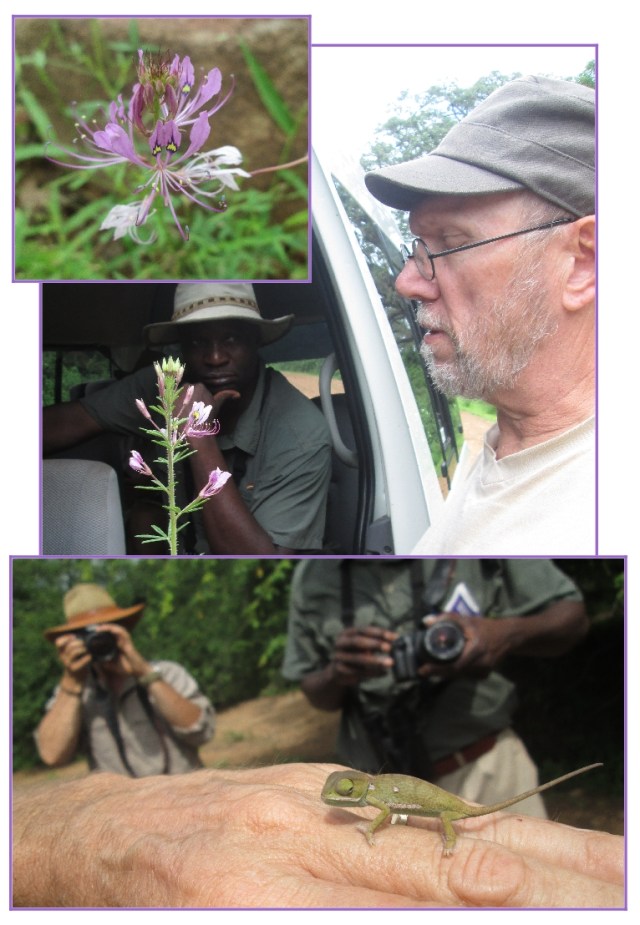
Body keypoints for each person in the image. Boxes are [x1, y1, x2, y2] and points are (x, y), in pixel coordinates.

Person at [364, 76, 595, 554]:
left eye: (451, 243)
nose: (408, 282)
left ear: (582, 263)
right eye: (419, 247)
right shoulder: (514, 446)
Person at [12, 762, 624, 908]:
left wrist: (433, 840)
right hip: (418, 788)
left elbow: (387, 812)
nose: (342, 802)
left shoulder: (378, 798)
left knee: (464, 845)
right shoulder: (366, 786)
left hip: (440, 802)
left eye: (348, 794)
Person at [42, 282, 331, 554]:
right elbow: (73, 420)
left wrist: (198, 435)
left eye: (231, 338)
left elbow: (261, 570)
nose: (215, 357)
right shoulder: (164, 383)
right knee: (145, 517)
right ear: (181, 348)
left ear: (256, 342)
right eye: (197, 342)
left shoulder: (301, 434)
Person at [282, 558, 588, 814]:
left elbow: (572, 616)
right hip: (379, 788)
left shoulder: (479, 525)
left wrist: (503, 634)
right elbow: (312, 686)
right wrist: (338, 672)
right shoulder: (313, 577)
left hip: (485, 767)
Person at [35, 583, 215, 776]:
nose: (98, 642)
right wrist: (72, 681)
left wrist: (146, 674)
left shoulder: (166, 673)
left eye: (105, 633)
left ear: (122, 631)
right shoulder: (76, 693)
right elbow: (52, 756)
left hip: (183, 799)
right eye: (87, 637)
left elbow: (201, 732)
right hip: (123, 804)